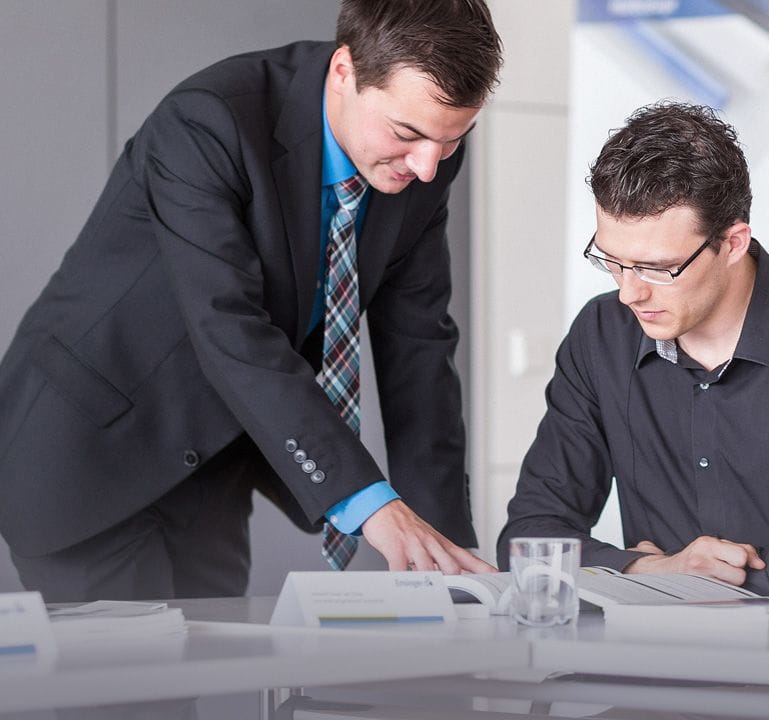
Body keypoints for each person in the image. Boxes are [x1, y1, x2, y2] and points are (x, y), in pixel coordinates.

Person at [0, 0, 502, 603]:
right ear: (344, 71)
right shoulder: (209, 122)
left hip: (211, 462)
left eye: (452, 139)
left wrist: (446, 556)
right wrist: (370, 503)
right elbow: (229, 326)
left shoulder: (428, 159)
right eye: (407, 134)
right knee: (136, 693)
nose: (427, 167)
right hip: (88, 455)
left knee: (212, 680)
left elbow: (420, 351)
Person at [499, 102, 769, 599]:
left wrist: (692, 580)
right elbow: (528, 542)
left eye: (658, 267)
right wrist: (652, 572)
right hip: (661, 663)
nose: (629, 293)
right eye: (612, 261)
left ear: (734, 242)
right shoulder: (602, 334)